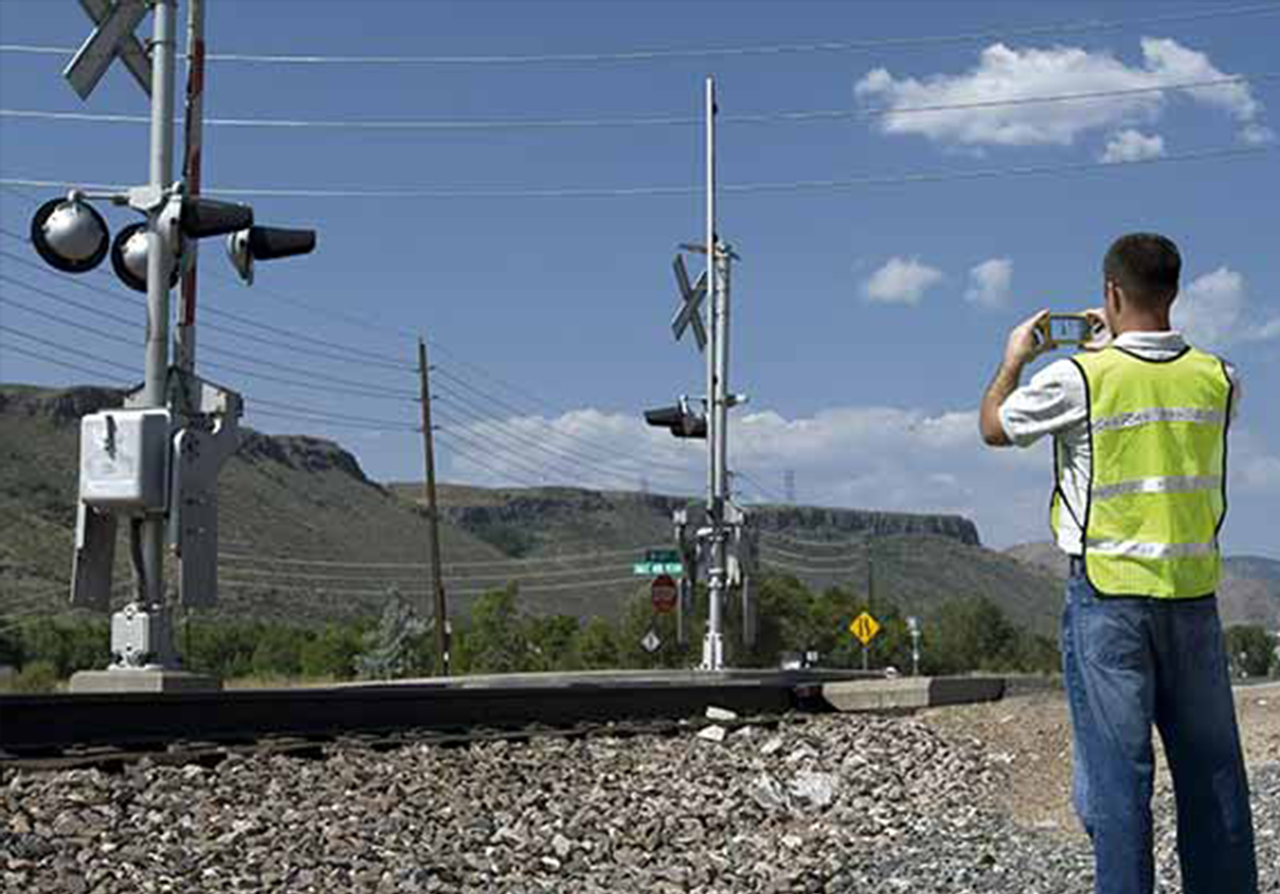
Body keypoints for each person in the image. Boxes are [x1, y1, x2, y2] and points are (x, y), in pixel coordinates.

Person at [978, 233, 1257, 894]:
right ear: (1176, 291)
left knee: (1118, 782)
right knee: (1213, 777)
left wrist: (1014, 359)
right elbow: (1158, 394)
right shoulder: (1220, 379)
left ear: (1110, 292)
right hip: (1193, 599)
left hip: (1107, 604)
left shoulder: (1078, 377)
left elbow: (993, 425)